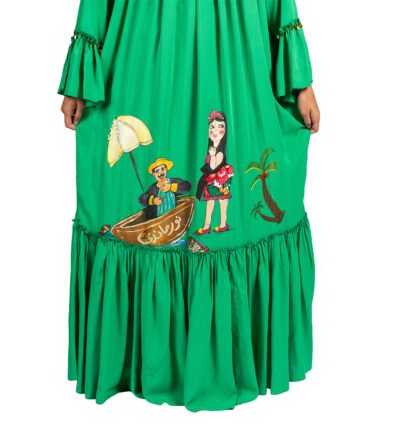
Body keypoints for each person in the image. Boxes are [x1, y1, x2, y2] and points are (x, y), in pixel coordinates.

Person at [58, 0, 320, 412]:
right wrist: (79, 76)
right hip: (144, 47)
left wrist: (300, 83)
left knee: (243, 207)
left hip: (237, 51)